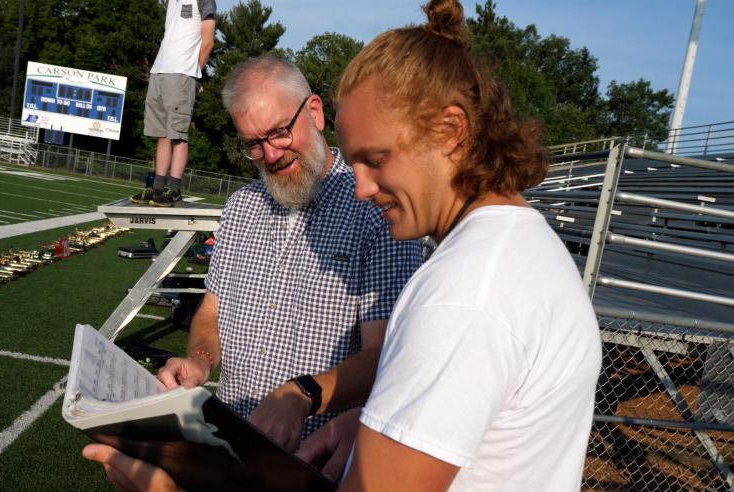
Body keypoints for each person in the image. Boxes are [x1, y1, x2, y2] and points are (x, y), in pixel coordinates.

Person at [83, 1, 602, 490]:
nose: (362, 187)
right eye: (253, 144)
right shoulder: (512, 253)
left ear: (450, 130)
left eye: (375, 159)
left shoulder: (466, 293)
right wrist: (365, 423)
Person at [82, 55, 423, 483]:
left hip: (314, 461)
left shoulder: (376, 212)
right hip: (228, 448)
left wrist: (302, 396)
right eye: (254, 144)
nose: (271, 154)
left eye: (279, 132)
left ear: (315, 112)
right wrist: (200, 361)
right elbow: (211, 313)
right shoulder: (242, 207)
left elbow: (385, 357)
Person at [141, 0, 216, 206]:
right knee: (163, 134)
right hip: (159, 70)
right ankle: (157, 189)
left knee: (178, 135)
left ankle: (173, 190)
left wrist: (194, 75)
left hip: (182, 73)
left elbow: (208, 41)